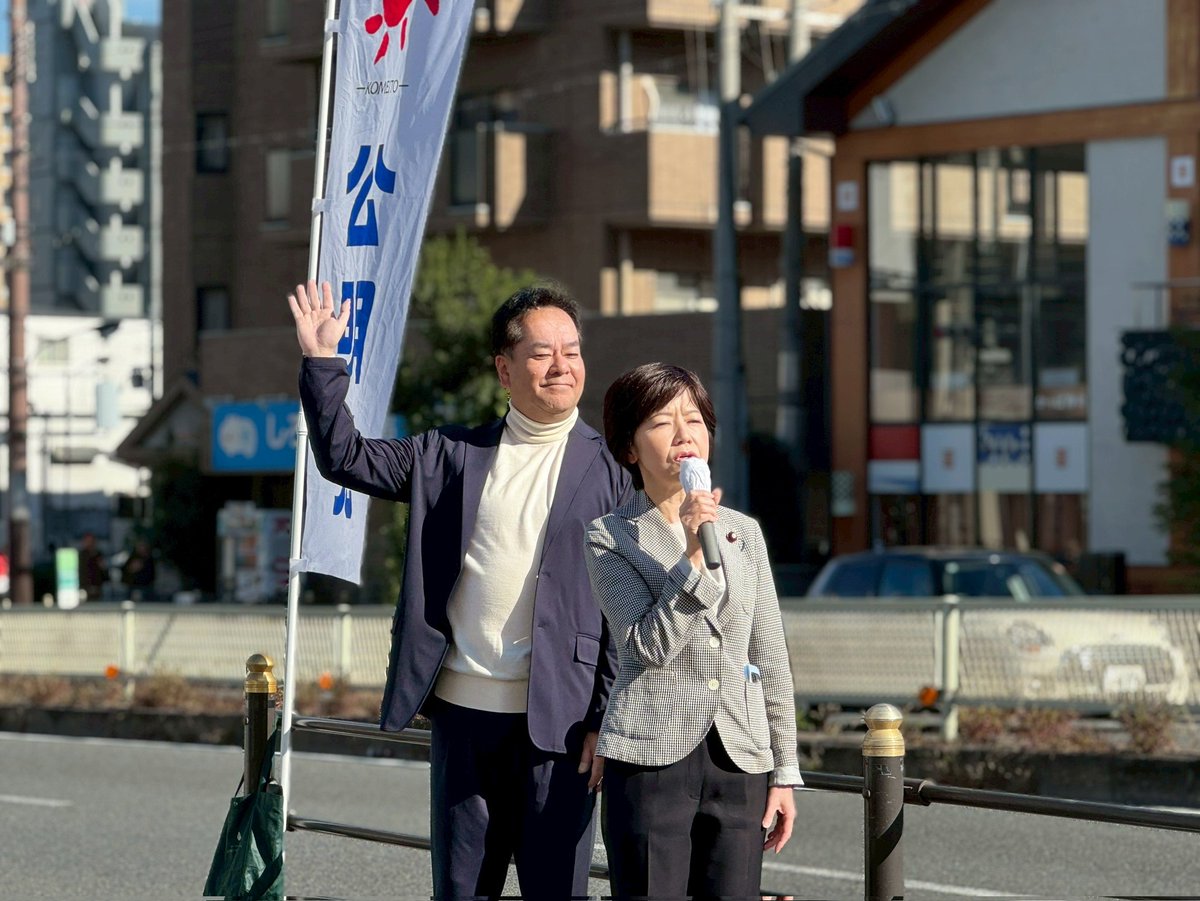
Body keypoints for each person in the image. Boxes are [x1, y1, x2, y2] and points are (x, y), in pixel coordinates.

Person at [288, 279, 630, 900]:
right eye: (541, 353)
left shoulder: (613, 470)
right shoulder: (448, 455)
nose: (562, 366)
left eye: (572, 351)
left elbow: (621, 612)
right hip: (462, 721)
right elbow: (345, 458)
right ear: (504, 369)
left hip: (561, 722)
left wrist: (603, 719)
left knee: (558, 892)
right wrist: (321, 362)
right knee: (461, 892)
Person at [584, 362, 802, 901]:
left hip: (740, 755)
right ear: (630, 448)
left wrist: (784, 771)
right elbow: (647, 646)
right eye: (662, 422)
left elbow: (768, 652)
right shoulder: (610, 537)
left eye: (695, 419)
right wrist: (692, 559)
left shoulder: (743, 532)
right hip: (651, 756)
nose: (684, 435)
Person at [78, 533, 106, 602]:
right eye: (88, 541)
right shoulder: (82, 555)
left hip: (97, 587)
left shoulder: (98, 555)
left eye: (91, 541)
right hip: (84, 588)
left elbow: (103, 571)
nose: (90, 543)